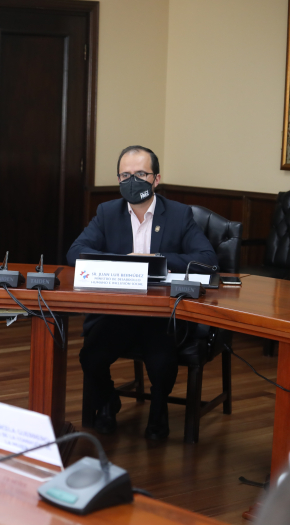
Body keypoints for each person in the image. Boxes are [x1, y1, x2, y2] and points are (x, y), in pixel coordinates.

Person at [66, 145, 218, 440]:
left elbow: (207, 260)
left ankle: (159, 410)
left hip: (160, 314)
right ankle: (108, 401)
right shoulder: (107, 212)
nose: (132, 181)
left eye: (140, 174)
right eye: (125, 175)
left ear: (156, 179)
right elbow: (75, 252)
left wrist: (155, 260)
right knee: (91, 357)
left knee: (162, 363)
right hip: (118, 311)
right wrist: (124, 262)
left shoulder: (178, 214)